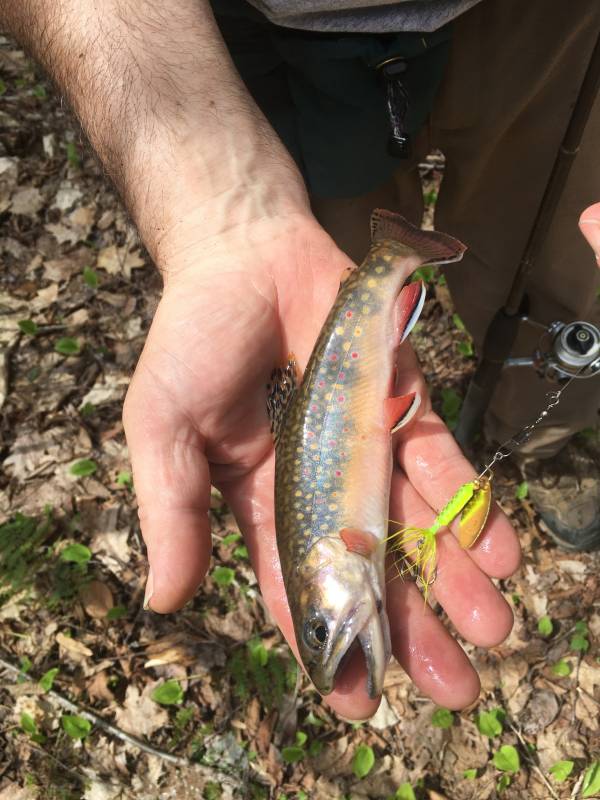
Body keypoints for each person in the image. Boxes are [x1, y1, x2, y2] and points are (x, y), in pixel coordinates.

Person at [1, 0, 596, 721]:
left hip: (553, 27)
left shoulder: (345, 543)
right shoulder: (354, 551)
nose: (337, 633)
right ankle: (404, 275)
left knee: (568, 289)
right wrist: (217, 214)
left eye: (323, 627)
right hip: (266, 44)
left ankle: (546, 436)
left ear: (327, 569)